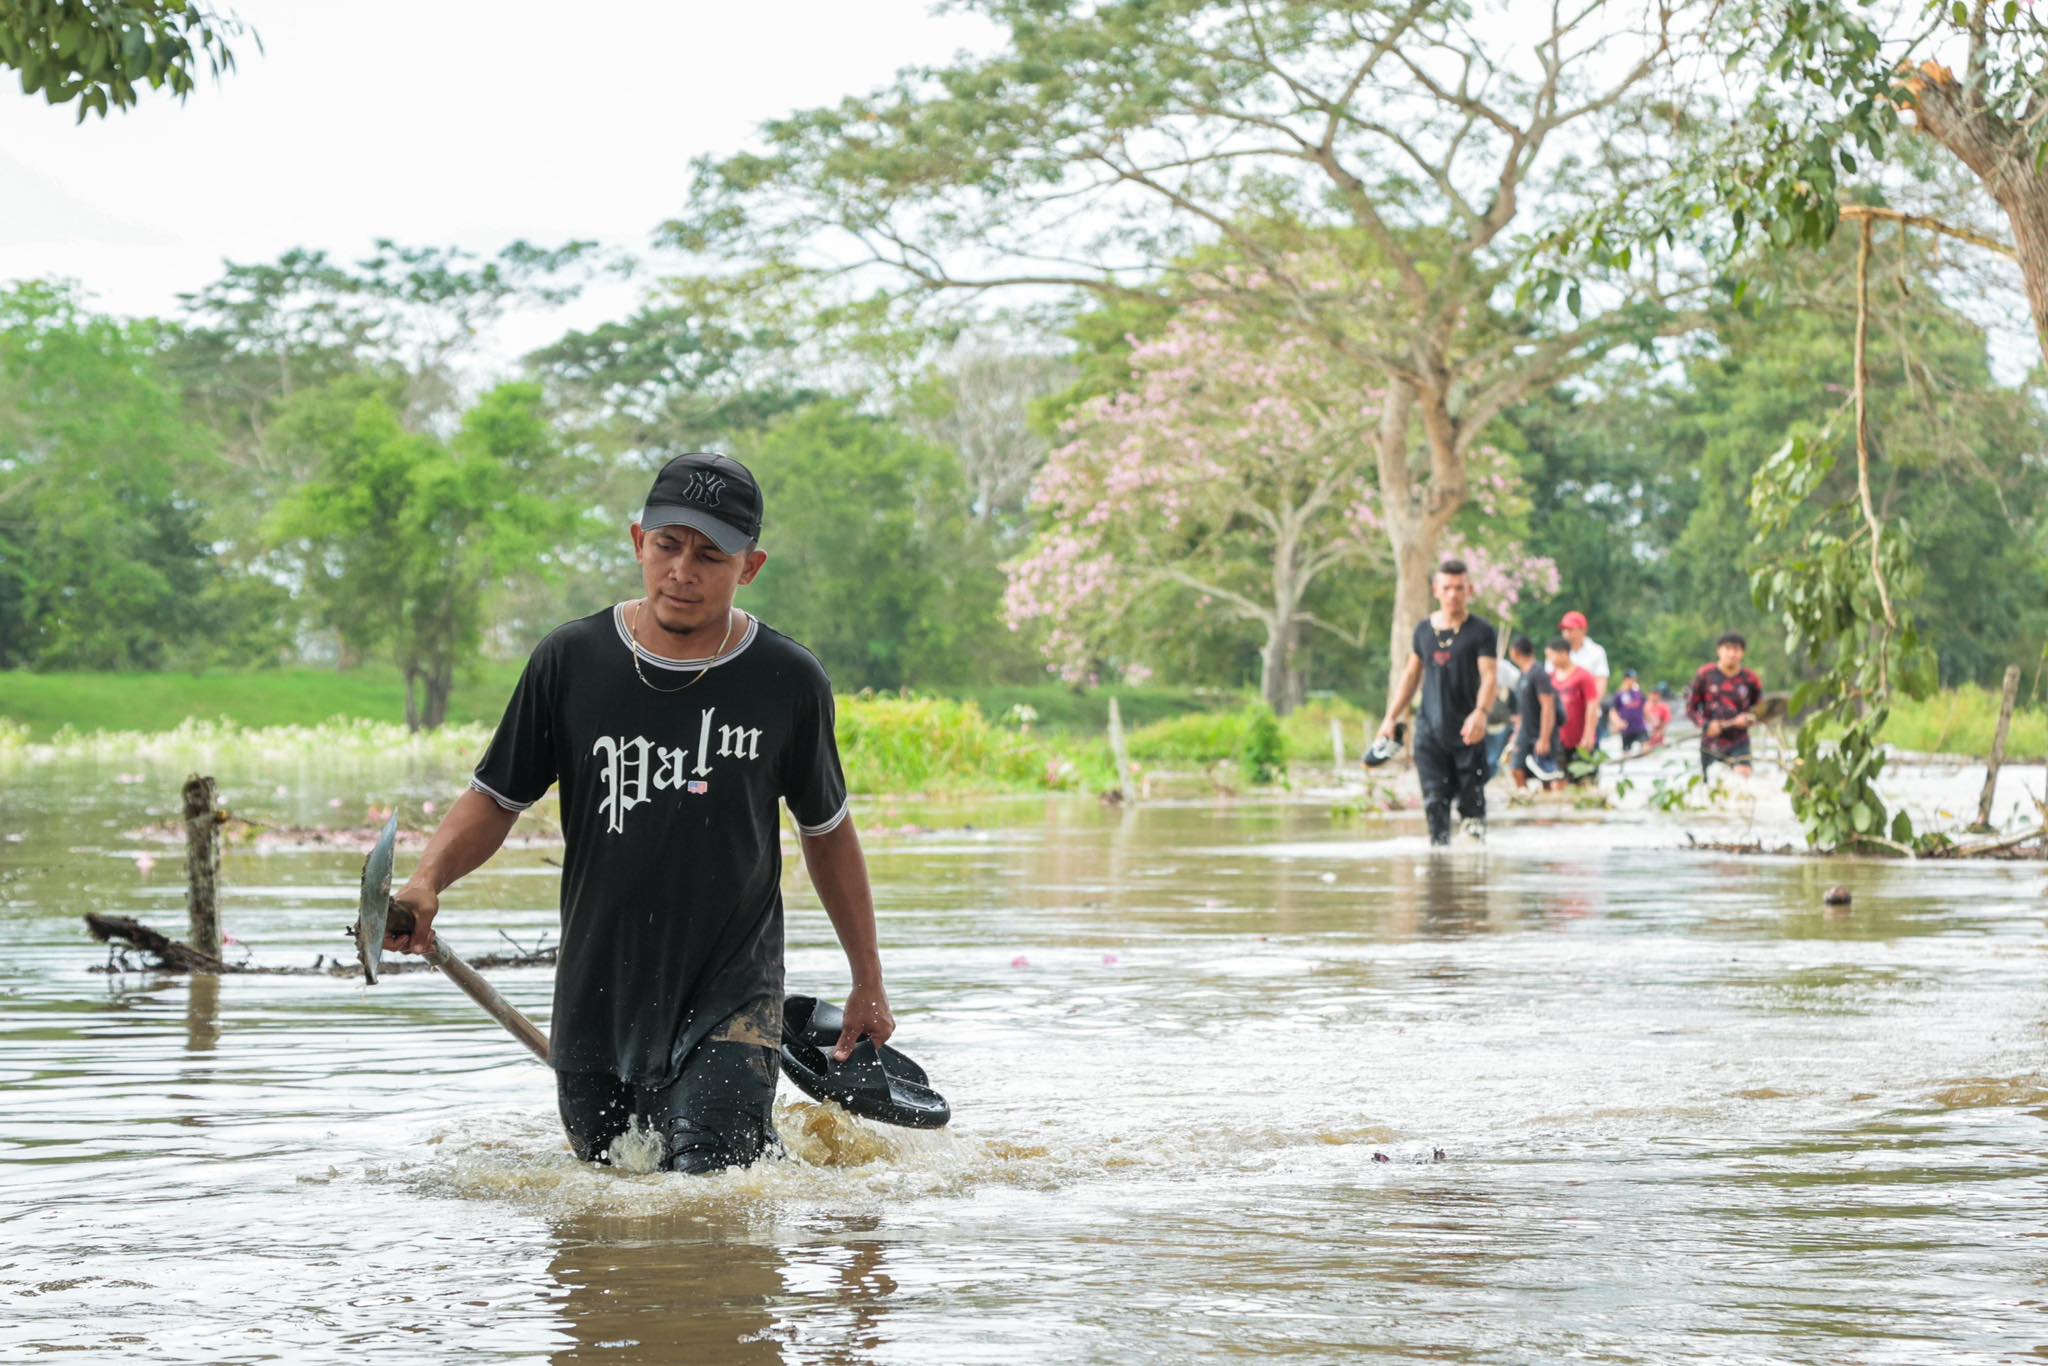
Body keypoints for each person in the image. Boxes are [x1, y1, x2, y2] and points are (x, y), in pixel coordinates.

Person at [384, 452, 894, 1175]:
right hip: (598, 992)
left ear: (750, 567)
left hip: (733, 991)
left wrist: (868, 978)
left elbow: (827, 833)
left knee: (714, 1193)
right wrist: (428, 881)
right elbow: (497, 797)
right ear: (637, 542)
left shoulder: (787, 680)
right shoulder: (570, 661)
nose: (682, 570)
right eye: (668, 545)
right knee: (612, 1196)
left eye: (710, 555)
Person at [1374, 559, 1498, 845]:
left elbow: (1489, 676)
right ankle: (1438, 878)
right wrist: (1390, 717)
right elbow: (1411, 675)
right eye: (1447, 588)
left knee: (1473, 814)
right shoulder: (1423, 631)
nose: (1453, 594)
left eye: (1459, 588)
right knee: (1434, 804)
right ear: (1436, 590)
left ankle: (1472, 879)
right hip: (1430, 733)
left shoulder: (1482, 631)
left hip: (1469, 733)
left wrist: (1481, 712)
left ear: (1470, 590)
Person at [1686, 631, 1764, 777]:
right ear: (1719, 650)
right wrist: (1706, 725)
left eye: (1736, 649)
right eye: (1728, 648)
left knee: (1743, 780)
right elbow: (1691, 709)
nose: (1732, 653)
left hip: (1740, 741)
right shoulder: (1705, 675)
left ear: (1743, 653)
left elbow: (1760, 710)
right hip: (1711, 742)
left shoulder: (1751, 679)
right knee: (1714, 789)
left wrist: (1749, 718)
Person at [1505, 635, 1561, 789]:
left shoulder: (1539, 673)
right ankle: (1526, 801)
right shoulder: (1523, 675)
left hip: (1540, 733)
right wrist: (1516, 733)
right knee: (1517, 768)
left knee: (1547, 776)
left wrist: (1544, 738)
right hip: (1525, 733)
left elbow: (1548, 706)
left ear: (1515, 652)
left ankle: (1547, 808)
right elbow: (1523, 709)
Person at [1546, 637, 1601, 779]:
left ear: (1564, 653)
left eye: (1551, 655)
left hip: (1582, 739)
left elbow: (1592, 705)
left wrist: (1589, 735)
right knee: (1562, 780)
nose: (1550, 660)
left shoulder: (1583, 676)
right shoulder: (1551, 678)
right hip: (1560, 740)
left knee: (1585, 780)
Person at [1557, 610, 1610, 743]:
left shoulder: (1596, 652)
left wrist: (1592, 716)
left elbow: (1600, 684)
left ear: (1583, 630)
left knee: (1587, 757)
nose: (1566, 634)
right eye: (1564, 630)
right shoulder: (1557, 652)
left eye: (1570, 630)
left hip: (1587, 714)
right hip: (1563, 717)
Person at [1611, 670, 1650, 753]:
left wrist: (1652, 721)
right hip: (1626, 729)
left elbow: (1646, 708)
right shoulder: (1619, 695)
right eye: (1630, 679)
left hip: (1640, 727)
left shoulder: (1639, 693)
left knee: (1646, 749)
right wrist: (1617, 722)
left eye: (1634, 679)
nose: (1632, 681)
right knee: (1626, 753)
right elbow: (1613, 711)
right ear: (1625, 679)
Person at [1645, 683, 1674, 749]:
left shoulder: (1664, 707)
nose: (1654, 696)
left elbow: (1666, 722)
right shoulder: (1645, 707)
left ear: (1659, 695)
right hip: (1646, 736)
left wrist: (1660, 732)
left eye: (1656, 694)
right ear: (1649, 695)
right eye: (1653, 694)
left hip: (1659, 736)